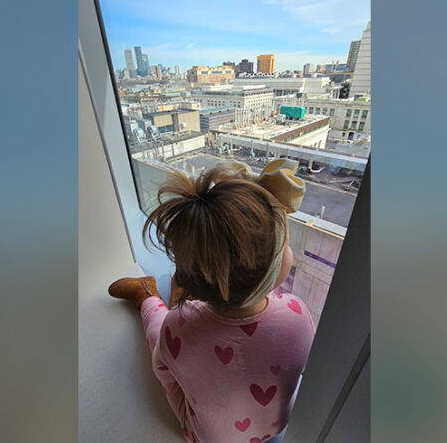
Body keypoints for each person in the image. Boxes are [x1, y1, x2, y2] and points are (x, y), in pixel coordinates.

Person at [108, 159, 314, 443]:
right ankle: (176, 296)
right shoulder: (298, 315)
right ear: (273, 270)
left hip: (203, 437)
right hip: (274, 429)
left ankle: (147, 295)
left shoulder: (177, 327)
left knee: (162, 334)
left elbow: (163, 370)